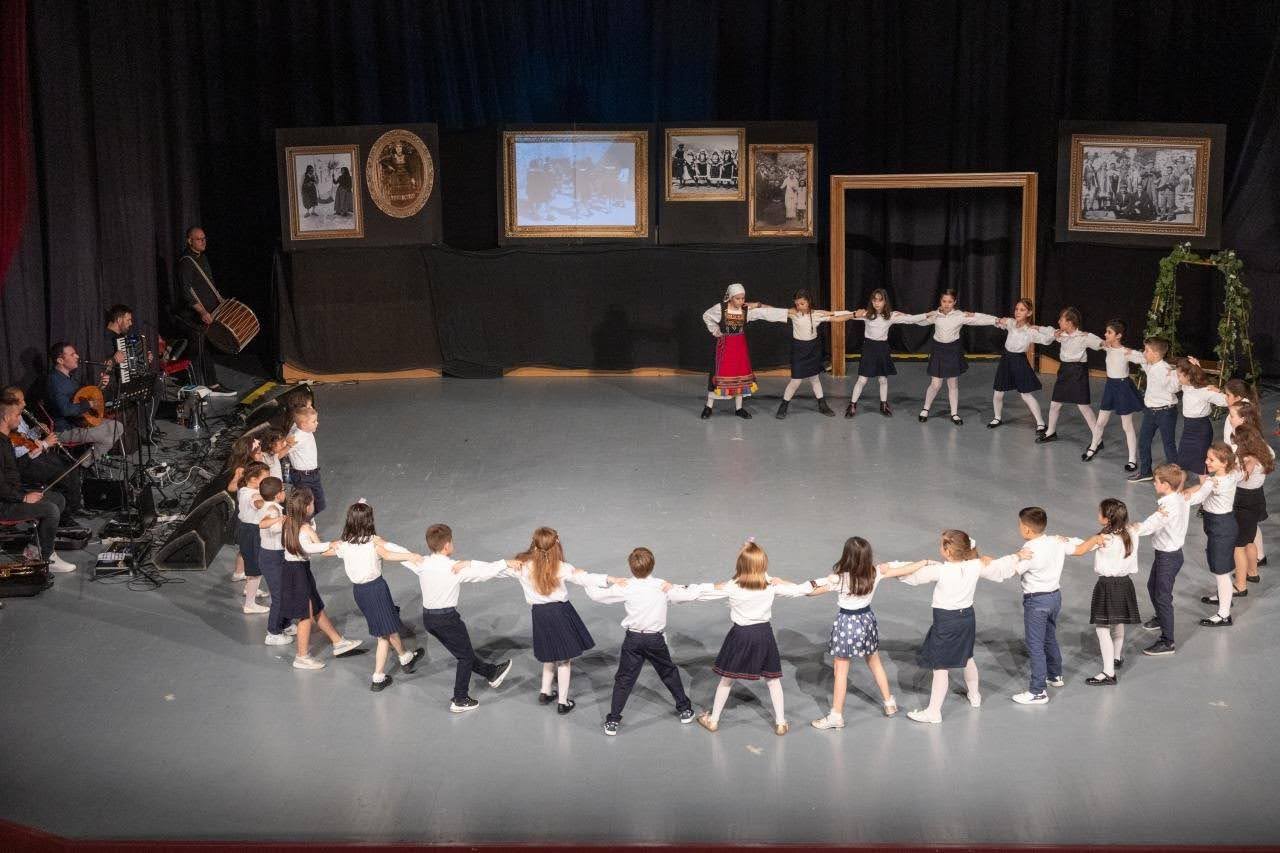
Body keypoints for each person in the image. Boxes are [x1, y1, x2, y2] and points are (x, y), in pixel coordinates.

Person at [682, 540, 811, 735]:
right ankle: (781, 722)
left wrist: (675, 591)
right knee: (773, 680)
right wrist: (783, 581)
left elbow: (703, 593)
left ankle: (713, 720)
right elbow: (798, 590)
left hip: (740, 636)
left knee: (727, 679)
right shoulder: (770, 584)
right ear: (763, 564)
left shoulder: (732, 586)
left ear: (740, 565)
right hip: (764, 635)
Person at [894, 530, 1015, 723]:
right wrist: (1017, 557)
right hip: (967, 619)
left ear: (948, 551)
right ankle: (975, 695)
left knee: (940, 667)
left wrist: (889, 569)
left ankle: (933, 712)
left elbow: (911, 575)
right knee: (967, 657)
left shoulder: (940, 570)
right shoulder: (975, 565)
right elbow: (999, 567)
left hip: (946, 622)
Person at [806, 537, 926, 728]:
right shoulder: (875, 572)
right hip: (866, 620)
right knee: (874, 661)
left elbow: (810, 592)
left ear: (847, 556)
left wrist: (788, 585)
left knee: (840, 670)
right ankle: (889, 703)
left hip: (846, 624)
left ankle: (836, 716)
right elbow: (905, 570)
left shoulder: (840, 579)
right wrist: (924, 562)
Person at [397, 523, 515, 712]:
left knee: (463, 651)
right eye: (451, 541)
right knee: (465, 657)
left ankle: (491, 673)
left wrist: (380, 542)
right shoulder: (454, 568)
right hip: (447, 620)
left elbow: (400, 552)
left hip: (429, 620)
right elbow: (486, 572)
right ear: (447, 546)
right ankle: (460, 698)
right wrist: (506, 563)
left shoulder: (422, 563)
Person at [582, 546, 700, 735]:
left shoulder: (625, 586)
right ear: (652, 565)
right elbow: (689, 595)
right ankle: (685, 710)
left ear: (631, 567)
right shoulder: (662, 586)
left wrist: (586, 579)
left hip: (633, 640)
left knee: (624, 679)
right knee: (668, 672)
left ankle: (613, 721)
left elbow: (597, 595)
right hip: (655, 640)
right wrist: (677, 587)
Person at [502, 526, 620, 714]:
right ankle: (563, 702)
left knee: (549, 654)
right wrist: (610, 578)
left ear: (534, 544)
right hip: (560, 613)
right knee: (564, 660)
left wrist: (492, 564)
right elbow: (584, 578)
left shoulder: (522, 566)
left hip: (539, 615)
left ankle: (545, 691)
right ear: (556, 543)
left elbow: (497, 570)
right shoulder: (561, 567)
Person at [333, 500, 425, 691]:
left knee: (388, 626)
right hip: (376, 590)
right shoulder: (372, 544)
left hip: (359, 592)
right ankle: (378, 677)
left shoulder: (345, 546)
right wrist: (411, 556)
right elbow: (389, 555)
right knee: (383, 635)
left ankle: (405, 657)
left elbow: (329, 550)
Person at [279, 487, 362, 670]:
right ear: (306, 507)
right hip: (297, 573)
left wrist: (337, 546)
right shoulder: (304, 528)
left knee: (316, 607)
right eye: (312, 502)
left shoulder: (290, 522)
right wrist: (341, 546)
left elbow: (315, 547)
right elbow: (315, 549)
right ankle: (301, 657)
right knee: (305, 615)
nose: (314, 504)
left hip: (296, 570)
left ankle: (338, 641)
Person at [1000, 508, 1075, 706]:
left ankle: (1038, 691)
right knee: (1049, 636)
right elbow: (1076, 546)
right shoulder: (1056, 541)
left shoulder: (1029, 549)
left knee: (1035, 645)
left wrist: (1015, 557)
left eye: (1019, 525)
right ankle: (1055, 675)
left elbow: (1012, 571)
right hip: (1055, 597)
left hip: (1037, 602)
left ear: (1026, 529)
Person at [1068, 499, 1142, 686]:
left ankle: (1109, 672)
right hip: (1125, 584)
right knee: (1118, 622)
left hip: (1108, 586)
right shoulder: (1131, 532)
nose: (1097, 514)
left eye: (1099, 511)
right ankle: (1116, 657)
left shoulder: (1105, 539)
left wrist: (1062, 541)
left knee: (1102, 629)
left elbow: (1080, 549)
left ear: (1108, 518)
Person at [0, 396, 75, 572]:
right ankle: (46, 557)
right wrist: (24, 498)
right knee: (50, 510)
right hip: (5, 504)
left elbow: (12, 472)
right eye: (17, 415)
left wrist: (29, 457)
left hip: (13, 496)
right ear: (6, 417)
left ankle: (34, 550)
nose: (20, 419)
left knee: (58, 499)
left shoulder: (6, 439)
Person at [759, 289, 853, 419]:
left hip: (813, 349)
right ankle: (784, 405)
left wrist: (854, 314)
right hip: (799, 350)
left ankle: (822, 405)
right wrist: (759, 305)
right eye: (797, 304)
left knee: (815, 378)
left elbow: (836, 317)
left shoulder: (817, 314)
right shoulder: (794, 313)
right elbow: (774, 311)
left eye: (802, 304)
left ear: (809, 302)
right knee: (796, 381)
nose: (799, 307)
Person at [913, 290, 997, 425]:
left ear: (954, 302)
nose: (946, 304)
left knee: (953, 383)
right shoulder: (936, 315)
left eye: (950, 302)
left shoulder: (960, 315)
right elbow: (918, 322)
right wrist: (921, 315)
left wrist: (996, 320)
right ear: (940, 301)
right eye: (944, 301)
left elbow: (979, 321)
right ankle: (925, 408)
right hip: (938, 350)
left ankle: (954, 413)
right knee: (935, 384)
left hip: (953, 350)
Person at [2, 386, 84, 524]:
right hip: (24, 463)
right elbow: (18, 451)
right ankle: (65, 515)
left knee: (68, 464)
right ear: (12, 403)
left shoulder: (18, 417)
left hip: (31, 455)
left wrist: (37, 431)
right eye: (21, 400)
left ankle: (72, 508)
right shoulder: (6, 425)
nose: (25, 403)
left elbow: (25, 438)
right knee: (61, 473)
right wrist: (44, 444)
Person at [1132, 463, 1190, 656]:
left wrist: (1133, 528)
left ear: (1166, 484)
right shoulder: (1177, 497)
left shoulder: (1168, 507)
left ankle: (1168, 642)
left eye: (1156, 481)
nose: (1154, 484)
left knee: (1162, 597)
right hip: (1166, 555)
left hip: (1168, 557)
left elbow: (1150, 525)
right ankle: (1160, 618)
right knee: (1152, 587)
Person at [700, 283, 778, 419]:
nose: (741, 301)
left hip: (740, 348)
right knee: (719, 375)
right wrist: (716, 331)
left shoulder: (745, 310)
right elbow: (706, 316)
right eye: (738, 298)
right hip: (725, 348)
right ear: (730, 298)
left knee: (740, 375)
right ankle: (708, 407)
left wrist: (763, 306)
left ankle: (739, 408)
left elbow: (765, 313)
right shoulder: (721, 308)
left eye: (743, 298)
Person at [1184, 442, 1242, 627]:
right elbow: (1239, 469)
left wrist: (1177, 499)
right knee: (1220, 567)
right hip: (1224, 523)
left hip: (1220, 527)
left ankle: (1224, 615)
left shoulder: (1212, 482)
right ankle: (1223, 597)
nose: (1206, 461)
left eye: (1211, 459)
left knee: (1221, 572)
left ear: (1224, 463)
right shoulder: (1232, 474)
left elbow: (1198, 498)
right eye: (1207, 458)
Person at [175, 227, 236, 395]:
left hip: (207, 313)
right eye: (199, 239)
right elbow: (186, 292)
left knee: (204, 349)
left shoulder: (203, 258)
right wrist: (202, 312)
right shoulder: (186, 262)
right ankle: (197, 387)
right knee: (198, 351)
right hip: (192, 316)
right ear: (189, 241)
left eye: (204, 238)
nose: (203, 241)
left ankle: (209, 385)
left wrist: (219, 302)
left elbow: (207, 285)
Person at [845, 289, 924, 417]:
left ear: (885, 302)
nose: (877, 303)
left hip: (882, 349)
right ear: (871, 301)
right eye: (874, 300)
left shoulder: (891, 316)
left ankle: (883, 405)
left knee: (883, 379)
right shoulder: (866, 314)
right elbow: (845, 315)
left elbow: (911, 319)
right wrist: (831, 315)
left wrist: (928, 315)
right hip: (869, 349)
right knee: (862, 379)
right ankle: (852, 405)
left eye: (880, 300)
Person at [43, 342, 123, 458]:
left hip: (78, 422)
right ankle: (84, 465)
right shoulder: (54, 381)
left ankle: (86, 463)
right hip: (65, 430)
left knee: (118, 427)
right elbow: (66, 410)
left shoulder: (70, 378)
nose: (77, 356)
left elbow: (81, 397)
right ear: (60, 360)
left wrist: (101, 386)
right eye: (72, 355)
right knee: (110, 432)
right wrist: (88, 404)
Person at [988, 299, 1054, 432]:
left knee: (1025, 394)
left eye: (1022, 310)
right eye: (1017, 309)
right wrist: (997, 320)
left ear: (1029, 313)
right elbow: (995, 321)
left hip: (1019, 361)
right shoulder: (1011, 323)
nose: (1018, 312)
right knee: (998, 392)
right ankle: (997, 417)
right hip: (1006, 359)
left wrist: (1044, 330)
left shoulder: (1030, 330)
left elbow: (1047, 340)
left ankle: (1041, 423)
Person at [1038, 307, 1100, 446]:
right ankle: (1051, 432)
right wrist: (1034, 327)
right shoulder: (1062, 335)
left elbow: (1100, 344)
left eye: (1061, 319)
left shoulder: (1084, 337)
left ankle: (1098, 438)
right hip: (1064, 371)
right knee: (1055, 404)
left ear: (1070, 322)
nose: (1058, 321)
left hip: (1078, 372)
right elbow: (1046, 330)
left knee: (1083, 407)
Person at [1088, 320, 1145, 469]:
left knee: (1127, 425)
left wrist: (1134, 352)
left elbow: (1144, 358)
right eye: (1106, 331)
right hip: (1110, 387)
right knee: (1100, 422)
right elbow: (1093, 340)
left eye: (1109, 332)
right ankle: (1093, 447)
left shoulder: (1125, 352)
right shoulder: (1107, 347)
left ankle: (1132, 459)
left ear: (1118, 335)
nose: (1105, 334)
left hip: (1122, 388)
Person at [1125, 337, 1181, 483]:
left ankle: (1176, 477)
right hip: (1150, 412)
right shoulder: (1151, 365)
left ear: (1156, 354)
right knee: (1143, 442)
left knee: (1168, 445)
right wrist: (1128, 352)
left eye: (1147, 350)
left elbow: (1175, 387)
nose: (1144, 353)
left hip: (1166, 412)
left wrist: (1174, 375)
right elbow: (1140, 359)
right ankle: (1145, 472)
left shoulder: (1164, 369)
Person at [1226, 425, 1272, 599]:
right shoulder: (1265, 452)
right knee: (1249, 540)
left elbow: (1239, 476)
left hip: (1244, 502)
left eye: (1237, 442)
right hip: (1257, 499)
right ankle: (1252, 573)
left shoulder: (1249, 461)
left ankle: (1240, 585)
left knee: (1238, 546)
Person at [1173, 357, 1227, 481]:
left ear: (1188, 376)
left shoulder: (1205, 390)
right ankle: (1178, 490)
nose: (1177, 378)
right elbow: (1194, 374)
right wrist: (1196, 366)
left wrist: (1219, 391)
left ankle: (1205, 489)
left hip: (1201, 430)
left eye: (1179, 375)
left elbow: (1225, 401)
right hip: (1188, 429)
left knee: (1201, 464)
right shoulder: (1186, 386)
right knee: (1182, 461)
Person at [255, 476, 293, 646]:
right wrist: (283, 521)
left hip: (275, 555)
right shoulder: (273, 510)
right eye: (283, 490)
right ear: (278, 494)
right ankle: (273, 632)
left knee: (287, 590)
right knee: (279, 595)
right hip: (273, 557)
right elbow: (266, 525)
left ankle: (285, 624)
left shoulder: (271, 506)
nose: (285, 493)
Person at [235, 462, 272, 618]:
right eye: (265, 478)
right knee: (256, 568)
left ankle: (249, 589)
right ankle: (249, 605)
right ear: (253, 479)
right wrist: (269, 500)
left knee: (254, 566)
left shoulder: (246, 489)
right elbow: (256, 503)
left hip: (249, 530)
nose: (268, 481)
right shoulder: (250, 494)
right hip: (252, 532)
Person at [287, 406, 324, 516]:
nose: (317, 423)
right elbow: (281, 452)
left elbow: (296, 422)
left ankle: (306, 521)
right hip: (302, 477)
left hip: (314, 474)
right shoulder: (297, 437)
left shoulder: (304, 430)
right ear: (303, 425)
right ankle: (302, 523)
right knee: (306, 506)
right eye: (314, 421)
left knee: (320, 504)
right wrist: (287, 445)